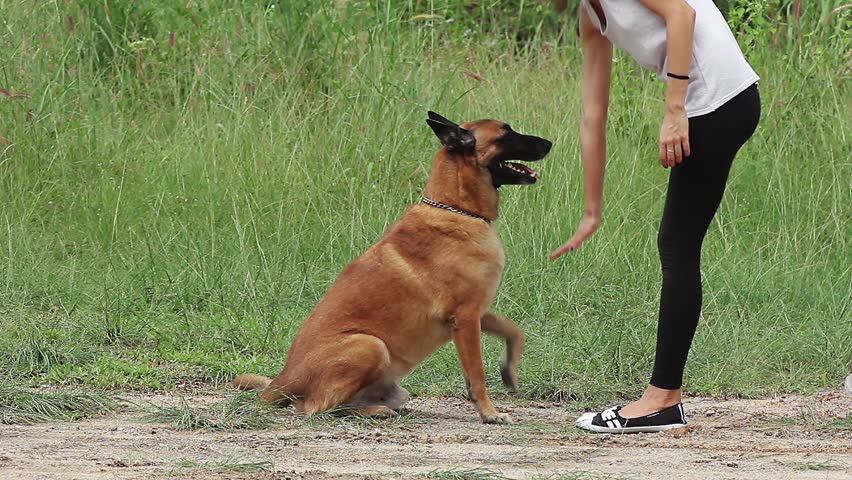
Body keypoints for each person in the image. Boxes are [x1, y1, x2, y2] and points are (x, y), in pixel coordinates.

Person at [549, 0, 761, 433]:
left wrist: (673, 110)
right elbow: (593, 116)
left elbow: (683, 14)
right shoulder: (591, 16)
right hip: (719, 101)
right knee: (678, 243)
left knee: (677, 245)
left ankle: (662, 400)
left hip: (716, 101)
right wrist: (592, 211)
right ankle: (664, 398)